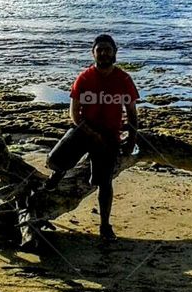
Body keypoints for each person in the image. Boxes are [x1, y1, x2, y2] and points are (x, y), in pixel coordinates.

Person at [47, 34, 139, 241]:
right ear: (93, 53)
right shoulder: (84, 77)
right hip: (84, 130)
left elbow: (132, 113)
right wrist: (90, 133)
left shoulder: (123, 79)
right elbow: (74, 112)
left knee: (103, 183)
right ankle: (56, 176)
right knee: (55, 159)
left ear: (115, 52)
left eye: (108, 49)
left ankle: (105, 225)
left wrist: (131, 140)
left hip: (109, 137)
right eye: (100, 50)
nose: (104, 53)